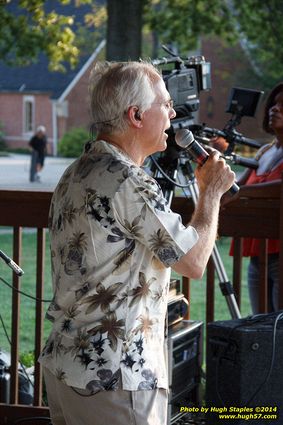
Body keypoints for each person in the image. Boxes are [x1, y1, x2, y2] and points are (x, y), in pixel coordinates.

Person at [38, 61, 235, 425]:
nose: (173, 113)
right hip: (116, 378)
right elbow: (192, 262)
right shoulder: (129, 180)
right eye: (165, 104)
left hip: (67, 365)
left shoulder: (77, 170)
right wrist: (211, 194)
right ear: (136, 115)